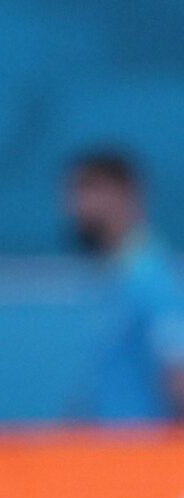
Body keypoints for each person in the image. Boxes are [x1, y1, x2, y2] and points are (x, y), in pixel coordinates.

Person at [66, 148, 184, 424]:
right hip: (111, 456)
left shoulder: (151, 279)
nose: (75, 207)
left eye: (89, 191)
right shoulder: (114, 279)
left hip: (144, 458)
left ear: (126, 194)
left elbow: (178, 375)